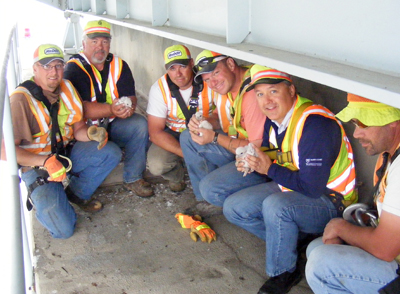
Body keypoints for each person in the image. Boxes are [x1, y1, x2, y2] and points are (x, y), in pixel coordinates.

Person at [221, 65, 357, 294]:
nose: (267, 101)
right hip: (293, 186)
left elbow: (312, 188)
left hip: (330, 200)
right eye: (260, 94)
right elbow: (270, 149)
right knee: (234, 208)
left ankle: (283, 271)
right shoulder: (275, 118)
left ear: (292, 90)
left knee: (276, 207)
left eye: (273, 91)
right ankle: (291, 245)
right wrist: (250, 158)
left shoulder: (315, 124)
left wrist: (269, 168)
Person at [11, 44, 121, 239]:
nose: (54, 72)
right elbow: (6, 150)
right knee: (64, 230)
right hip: (38, 166)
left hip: (66, 154)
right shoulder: (20, 100)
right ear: (35, 68)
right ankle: (48, 200)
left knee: (110, 152)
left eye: (58, 65)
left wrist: (92, 133)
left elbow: (78, 129)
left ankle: (75, 194)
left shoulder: (67, 87)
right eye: (47, 66)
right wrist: (44, 161)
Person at [306, 94, 400, 294]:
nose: (356, 134)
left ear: (392, 123)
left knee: (322, 265)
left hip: (392, 256)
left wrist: (341, 228)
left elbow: (384, 248)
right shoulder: (390, 154)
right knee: (315, 249)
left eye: (363, 124)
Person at [64, 19, 154, 197]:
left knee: (139, 124)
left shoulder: (119, 64)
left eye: (105, 41)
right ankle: (77, 190)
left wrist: (129, 107)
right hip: (83, 132)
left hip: (113, 123)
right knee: (109, 153)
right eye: (94, 41)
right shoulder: (73, 69)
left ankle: (133, 178)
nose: (100, 46)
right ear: (83, 44)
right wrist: (112, 109)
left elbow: (131, 96)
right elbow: (81, 109)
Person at [180, 50, 267, 203]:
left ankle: (246, 199)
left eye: (216, 73)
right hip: (237, 146)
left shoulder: (252, 94)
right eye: (207, 79)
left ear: (231, 64)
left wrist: (213, 138)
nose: (212, 83)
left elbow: (255, 150)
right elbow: (222, 119)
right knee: (188, 136)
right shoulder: (227, 86)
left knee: (210, 188)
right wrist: (204, 122)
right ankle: (206, 202)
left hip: (258, 162)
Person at [146, 45, 214, 192]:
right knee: (157, 165)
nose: (178, 74)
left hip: (204, 132)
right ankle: (177, 176)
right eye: (172, 68)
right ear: (166, 69)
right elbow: (155, 133)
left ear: (191, 64)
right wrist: (186, 153)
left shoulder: (208, 80)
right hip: (174, 132)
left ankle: (211, 186)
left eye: (183, 66)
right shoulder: (159, 89)